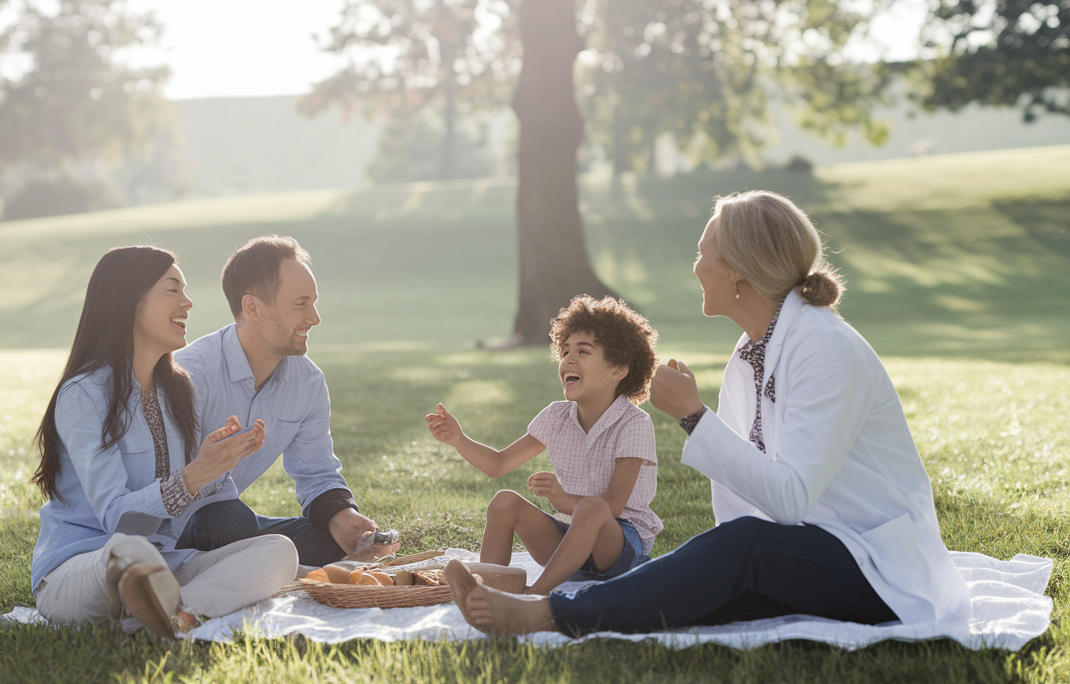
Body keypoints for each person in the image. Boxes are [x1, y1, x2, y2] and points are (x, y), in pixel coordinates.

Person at [447, 190, 972, 636]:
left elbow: (787, 499)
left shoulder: (824, 348)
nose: (695, 265)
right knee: (704, 578)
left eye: (704, 254)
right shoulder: (749, 355)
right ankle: (574, 606)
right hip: (810, 553)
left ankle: (547, 612)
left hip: (879, 569)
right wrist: (717, 567)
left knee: (740, 551)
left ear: (740, 271)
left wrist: (695, 416)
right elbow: (742, 504)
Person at [31, 246, 297, 640]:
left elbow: (185, 501)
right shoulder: (83, 394)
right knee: (130, 552)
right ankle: (168, 606)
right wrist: (192, 476)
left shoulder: (178, 389)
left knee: (279, 551)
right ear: (129, 301)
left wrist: (217, 464)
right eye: (172, 290)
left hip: (164, 560)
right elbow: (117, 520)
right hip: (86, 566)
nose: (188, 302)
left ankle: (175, 614)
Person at [173, 235, 399, 565]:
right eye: (300, 304)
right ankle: (234, 559)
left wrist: (342, 516)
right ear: (252, 307)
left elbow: (317, 472)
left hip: (233, 526)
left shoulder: (307, 383)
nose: (315, 318)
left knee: (339, 542)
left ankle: (252, 558)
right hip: (172, 527)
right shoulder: (188, 376)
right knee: (227, 521)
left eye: (314, 303)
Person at [428, 295, 661, 595]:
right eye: (564, 352)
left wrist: (565, 500)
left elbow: (612, 507)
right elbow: (498, 464)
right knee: (504, 501)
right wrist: (458, 440)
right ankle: (490, 591)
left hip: (620, 547)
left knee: (592, 509)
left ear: (619, 369)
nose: (569, 360)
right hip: (570, 540)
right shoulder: (555, 417)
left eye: (583, 351)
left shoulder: (634, 424)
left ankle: (536, 595)